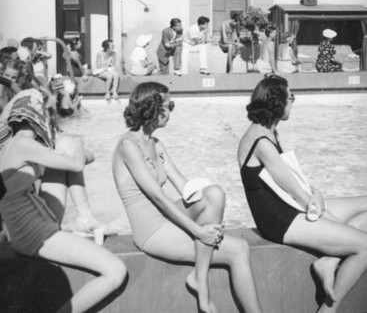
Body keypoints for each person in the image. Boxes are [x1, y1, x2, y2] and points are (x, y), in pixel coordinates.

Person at [113, 81, 263, 313]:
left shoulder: (156, 144)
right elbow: (158, 198)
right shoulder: (128, 145)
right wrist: (198, 231)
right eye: (169, 105)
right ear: (153, 108)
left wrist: (216, 213)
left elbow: (186, 187)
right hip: (151, 232)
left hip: (166, 219)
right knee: (239, 249)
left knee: (214, 193)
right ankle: (203, 283)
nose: (171, 110)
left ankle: (199, 277)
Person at [238, 75, 367, 313]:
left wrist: (315, 193)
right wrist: (319, 206)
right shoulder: (261, 141)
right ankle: (328, 310)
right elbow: (295, 192)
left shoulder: (268, 131)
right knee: (364, 245)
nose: (293, 102)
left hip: (289, 205)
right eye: (291, 97)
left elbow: (295, 181)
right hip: (280, 220)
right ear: (277, 102)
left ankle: (330, 260)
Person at [0, 89, 126, 313]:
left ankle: (84, 217)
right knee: (115, 271)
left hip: (35, 222)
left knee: (66, 144)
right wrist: (78, 140)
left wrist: (71, 147)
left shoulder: (19, 146)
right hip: (35, 234)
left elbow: (85, 158)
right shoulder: (23, 145)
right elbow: (78, 163)